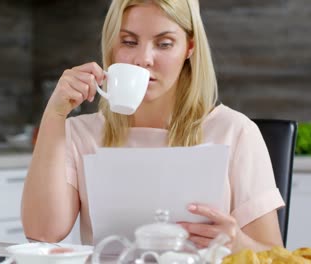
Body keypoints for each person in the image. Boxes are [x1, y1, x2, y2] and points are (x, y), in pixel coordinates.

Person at [22, 0, 284, 253]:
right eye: (129, 41)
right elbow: (42, 233)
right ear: (111, 46)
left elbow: (278, 257)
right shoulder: (80, 134)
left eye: (164, 44)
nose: (143, 59)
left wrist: (238, 245)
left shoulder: (236, 131)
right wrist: (54, 114)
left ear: (189, 48)